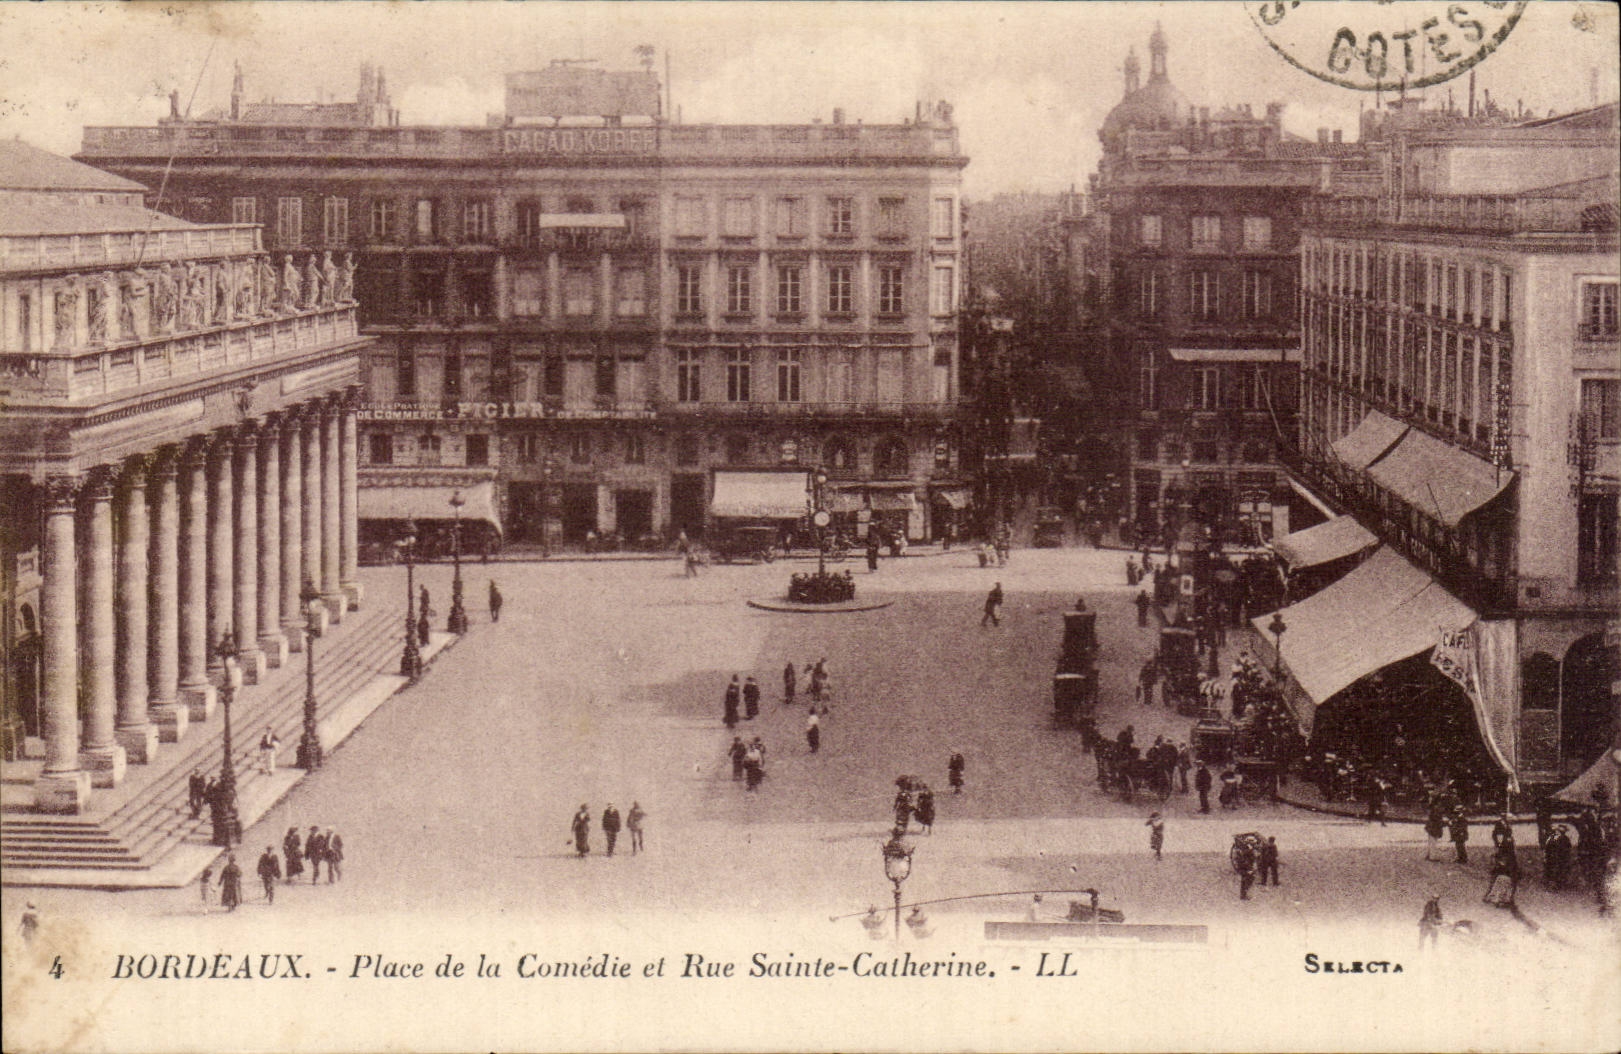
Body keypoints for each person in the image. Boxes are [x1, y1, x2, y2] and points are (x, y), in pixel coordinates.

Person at [1485, 832, 1520, 906]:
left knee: (1501, 880)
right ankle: (1504, 898)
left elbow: (1504, 854)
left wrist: (1498, 860)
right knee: (1506, 881)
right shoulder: (1508, 842)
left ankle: (1500, 898)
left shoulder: (1505, 844)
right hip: (1507, 865)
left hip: (1506, 866)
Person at [1544, 825, 1573, 889]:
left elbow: (1568, 849)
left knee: (1560, 870)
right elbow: (1547, 848)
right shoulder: (1551, 838)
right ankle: (1553, 884)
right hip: (1552, 857)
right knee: (1552, 870)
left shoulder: (1565, 838)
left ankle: (1559, 884)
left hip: (1560, 857)